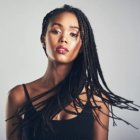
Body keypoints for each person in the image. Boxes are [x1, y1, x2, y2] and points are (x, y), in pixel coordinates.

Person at [6, 4, 139, 140]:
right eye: (56, 31)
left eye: (73, 34)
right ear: (43, 39)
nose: (64, 39)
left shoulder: (98, 102)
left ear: (82, 46)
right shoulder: (18, 96)